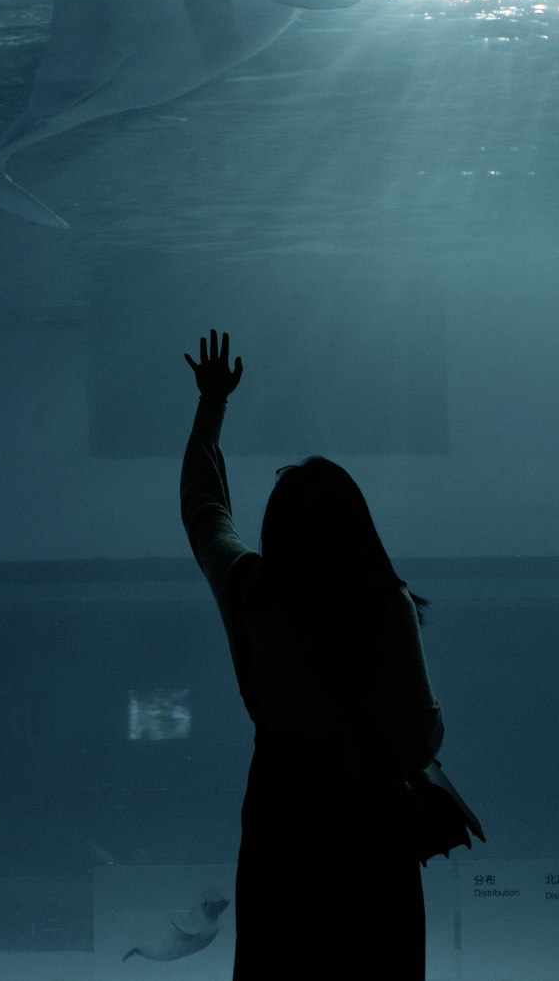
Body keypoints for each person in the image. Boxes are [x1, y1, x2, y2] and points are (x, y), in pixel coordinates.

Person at [181, 329, 445, 980]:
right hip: (371, 834)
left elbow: (203, 507)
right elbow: (418, 740)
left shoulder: (247, 592)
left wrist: (212, 404)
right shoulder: (387, 607)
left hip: (281, 825)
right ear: (360, 528)